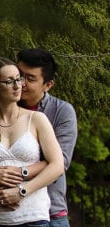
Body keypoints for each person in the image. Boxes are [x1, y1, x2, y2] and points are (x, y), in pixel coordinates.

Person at [0, 58, 64, 226]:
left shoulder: (37, 119)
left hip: (33, 217)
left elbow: (57, 165)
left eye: (18, 79)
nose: (18, 86)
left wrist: (22, 191)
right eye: (9, 82)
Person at [13, 48, 77, 227]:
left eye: (30, 78)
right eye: (19, 75)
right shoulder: (2, 109)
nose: (21, 83)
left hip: (50, 213)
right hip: (5, 212)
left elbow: (60, 162)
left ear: (48, 85)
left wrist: (18, 174)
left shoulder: (62, 112)